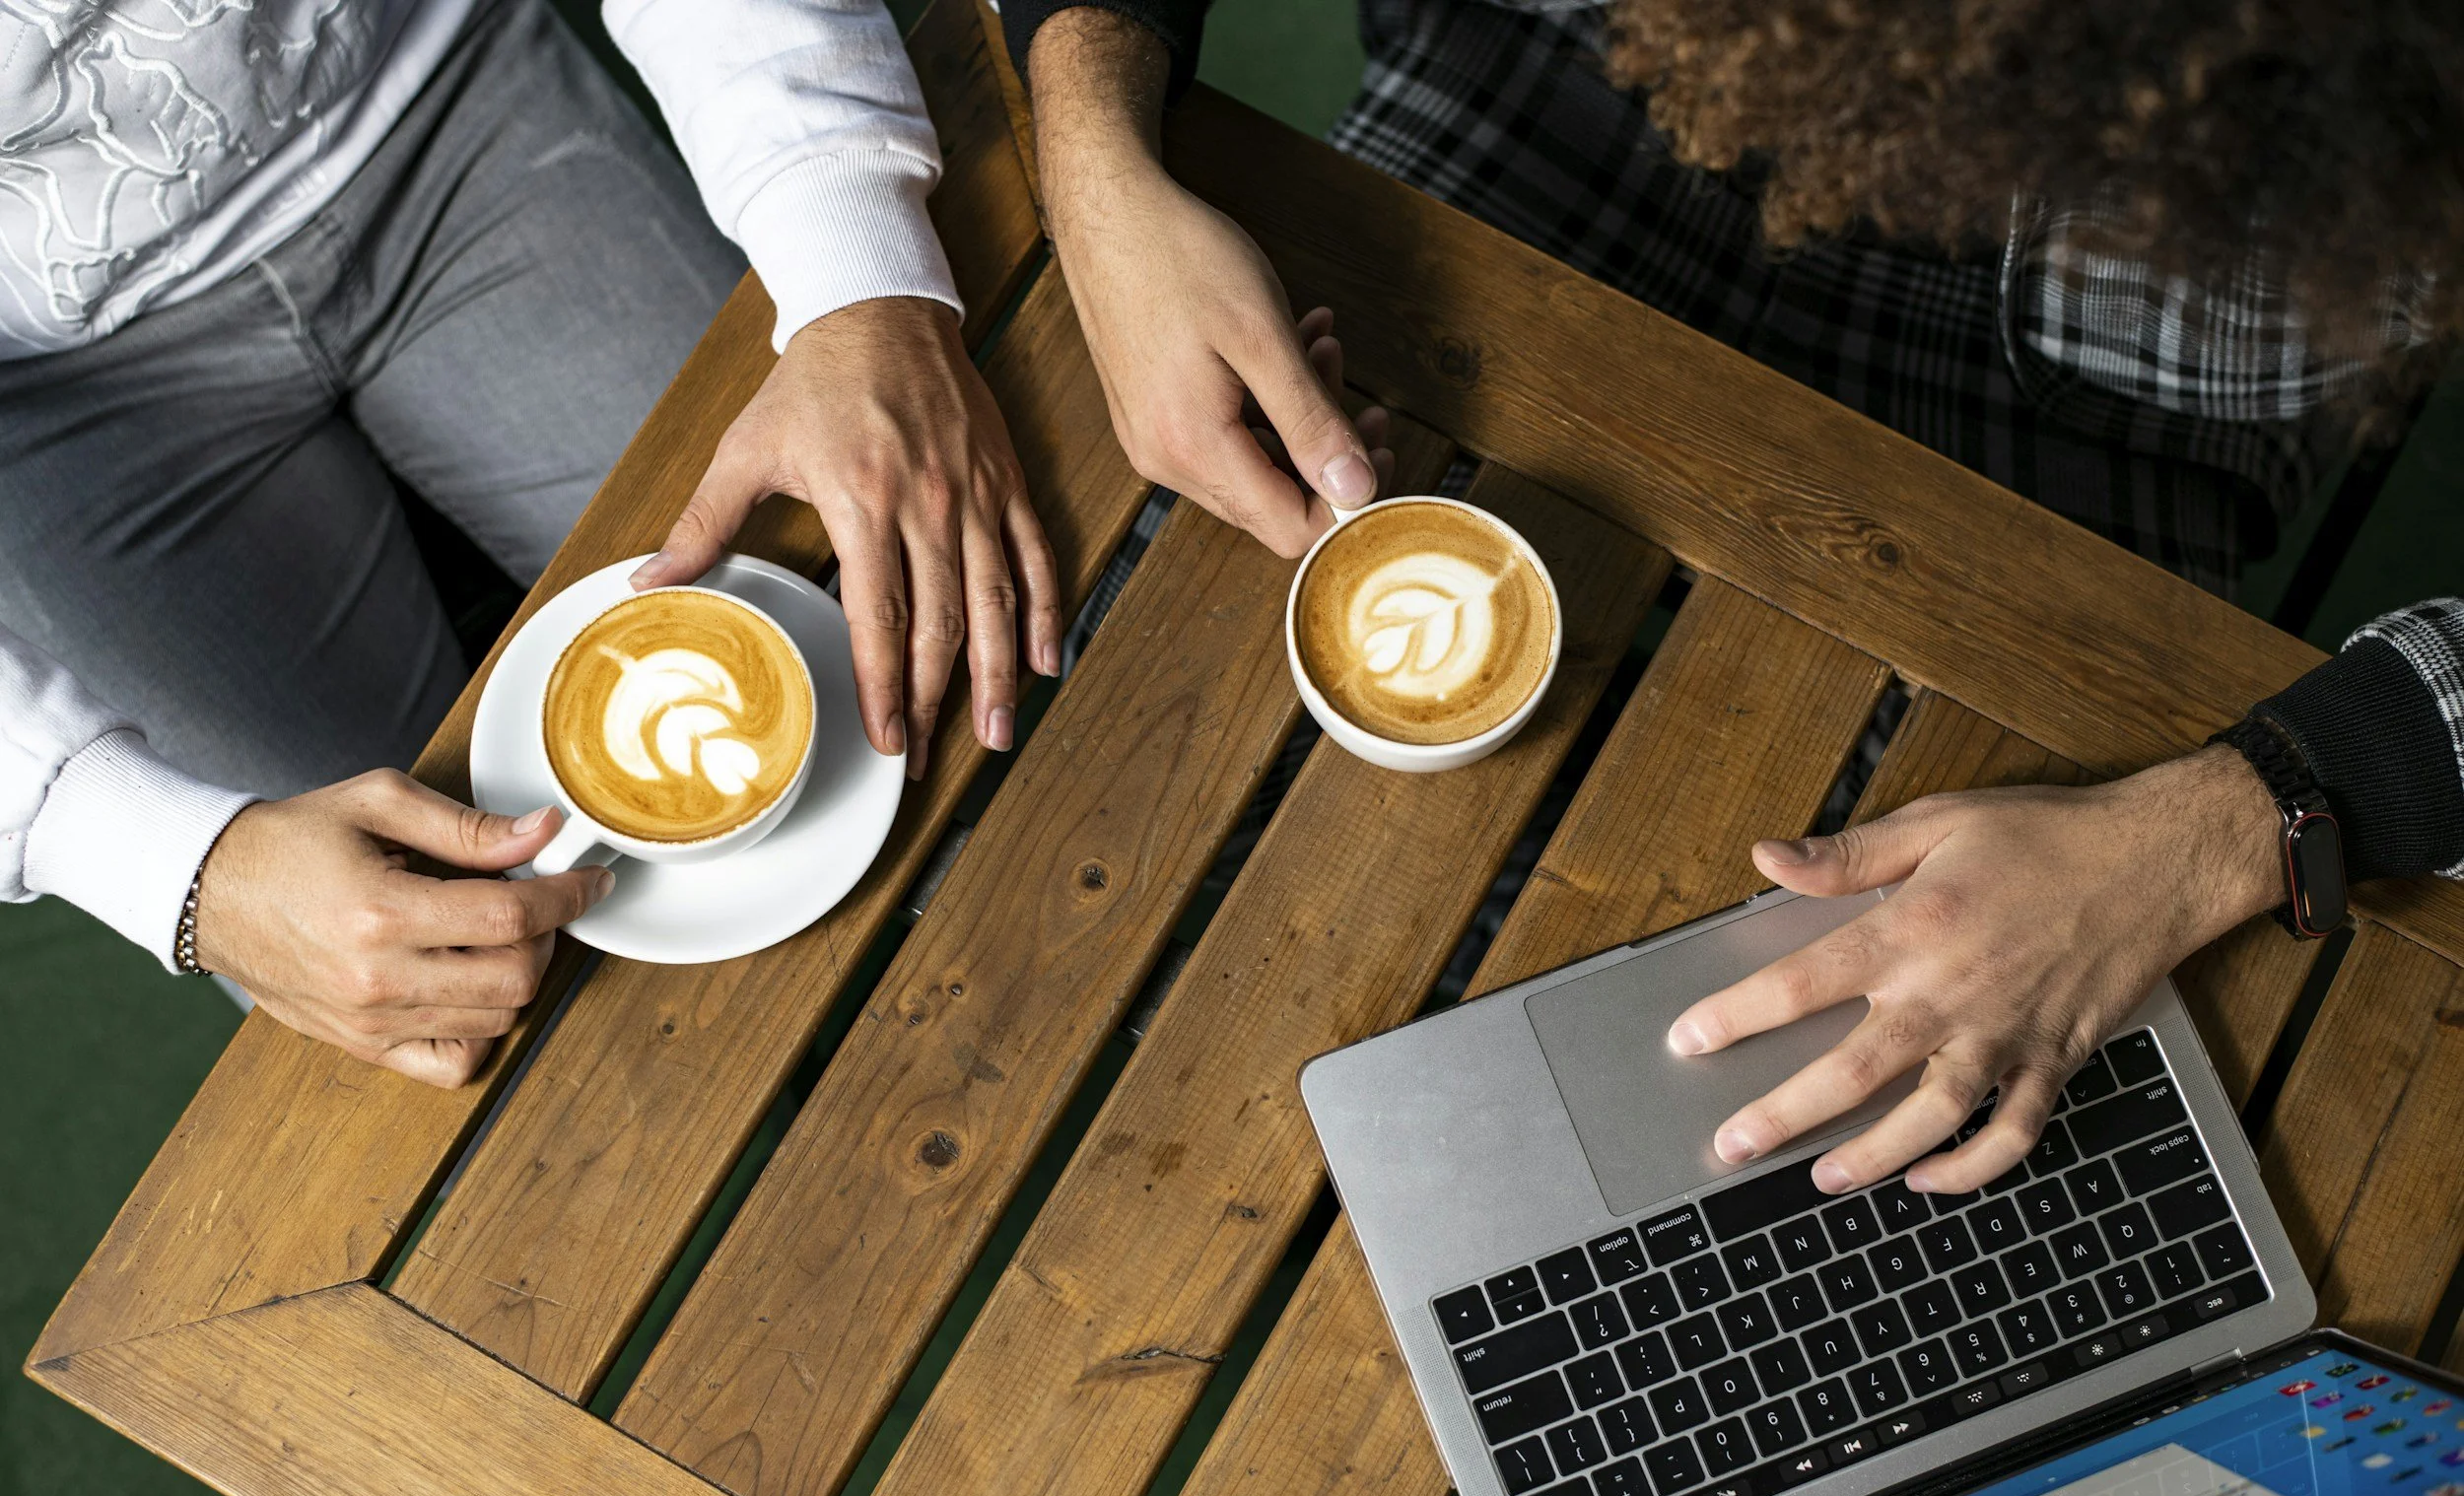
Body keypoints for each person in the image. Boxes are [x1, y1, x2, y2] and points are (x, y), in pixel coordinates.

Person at [997, 0, 2464, 1190]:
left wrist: (2216, 824)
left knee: (1777, 1119)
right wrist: (1092, 150)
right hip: (1564, 118)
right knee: (1097, 902)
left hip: (2079, 431)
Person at [0, 0, 1055, 1085]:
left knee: (907, 618)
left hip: (433, 93)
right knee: (421, 1002)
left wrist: (855, 275)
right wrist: (155, 855)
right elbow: (189, 866)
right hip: (38, 387)